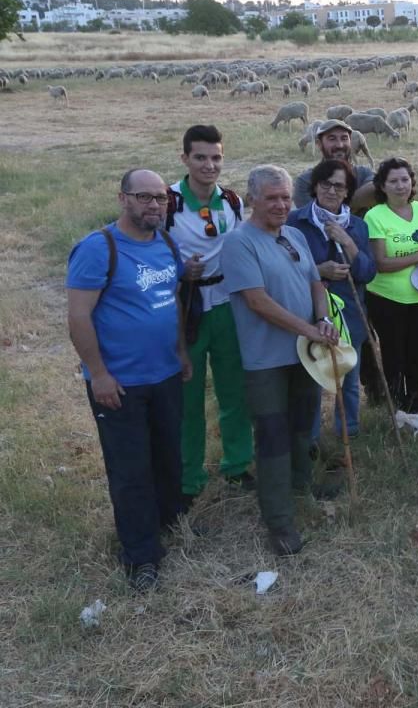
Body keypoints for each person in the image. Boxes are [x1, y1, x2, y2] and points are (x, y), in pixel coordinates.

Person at [67, 169, 188, 591]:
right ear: (123, 199)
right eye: (144, 197)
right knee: (130, 468)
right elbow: (78, 316)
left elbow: (171, 300)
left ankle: (167, 525)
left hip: (166, 373)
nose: (155, 205)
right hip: (120, 382)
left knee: (167, 455)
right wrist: (98, 374)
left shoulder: (167, 244)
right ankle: (140, 557)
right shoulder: (98, 249)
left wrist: (182, 354)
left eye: (161, 198)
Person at [222, 165, 340, 556]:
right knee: (272, 437)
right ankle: (279, 520)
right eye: (271, 197)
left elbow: (314, 282)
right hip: (266, 361)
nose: (281, 204)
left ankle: (301, 485)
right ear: (251, 198)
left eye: (286, 197)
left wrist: (321, 319)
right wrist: (308, 331)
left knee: (302, 425)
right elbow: (258, 302)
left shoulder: (293, 235)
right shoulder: (239, 243)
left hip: (304, 355)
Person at [169, 125, 255, 513]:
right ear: (184, 157)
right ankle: (188, 478)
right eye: (201, 157)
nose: (210, 165)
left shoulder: (232, 201)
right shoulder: (168, 203)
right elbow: (149, 252)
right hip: (186, 307)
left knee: (234, 390)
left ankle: (237, 463)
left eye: (216, 157)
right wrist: (177, 271)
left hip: (228, 305)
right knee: (187, 396)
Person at [286, 158, 377, 446]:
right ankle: (309, 441)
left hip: (350, 313)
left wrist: (348, 244)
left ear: (348, 191)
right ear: (315, 186)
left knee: (348, 378)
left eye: (340, 186)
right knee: (311, 379)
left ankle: (347, 433)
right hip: (309, 314)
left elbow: (367, 273)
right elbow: (285, 268)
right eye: (326, 184)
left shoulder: (358, 227)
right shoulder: (295, 222)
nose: (332, 191)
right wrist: (318, 270)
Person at [363, 157, 418, 414]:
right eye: (393, 181)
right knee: (394, 354)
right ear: (382, 186)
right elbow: (381, 263)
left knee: (417, 351)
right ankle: (397, 404)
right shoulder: (375, 216)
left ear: (412, 181)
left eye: (404, 179)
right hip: (386, 298)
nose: (400, 186)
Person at [292, 119, 376, 213]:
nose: (339, 145)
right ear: (319, 144)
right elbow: (313, 217)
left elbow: (377, 189)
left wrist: (340, 206)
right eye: (332, 139)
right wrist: (358, 203)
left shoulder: (364, 173)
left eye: (344, 138)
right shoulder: (306, 180)